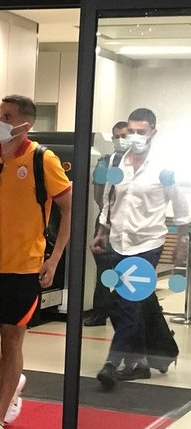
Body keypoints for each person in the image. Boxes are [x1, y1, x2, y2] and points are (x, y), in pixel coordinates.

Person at [0, 95, 72, 429]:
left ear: (25, 124)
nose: (0, 120)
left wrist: (54, 259)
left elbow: (69, 208)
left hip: (23, 268)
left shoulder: (43, 159)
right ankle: (14, 381)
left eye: (8, 116)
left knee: (12, 339)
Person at [91, 108, 189, 389]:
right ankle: (157, 353)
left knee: (129, 303)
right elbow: (109, 201)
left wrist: (182, 243)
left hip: (148, 244)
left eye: (141, 132)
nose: (134, 137)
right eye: (131, 131)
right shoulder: (117, 162)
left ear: (153, 133)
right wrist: (101, 231)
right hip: (119, 242)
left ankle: (113, 363)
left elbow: (181, 208)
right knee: (130, 304)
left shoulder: (164, 167)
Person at [85, 121, 129, 327]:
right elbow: (98, 194)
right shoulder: (105, 163)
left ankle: (122, 311)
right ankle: (100, 312)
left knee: (126, 269)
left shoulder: (136, 163)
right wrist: (108, 216)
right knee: (103, 268)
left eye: (124, 135)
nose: (120, 140)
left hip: (129, 223)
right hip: (107, 221)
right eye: (117, 136)